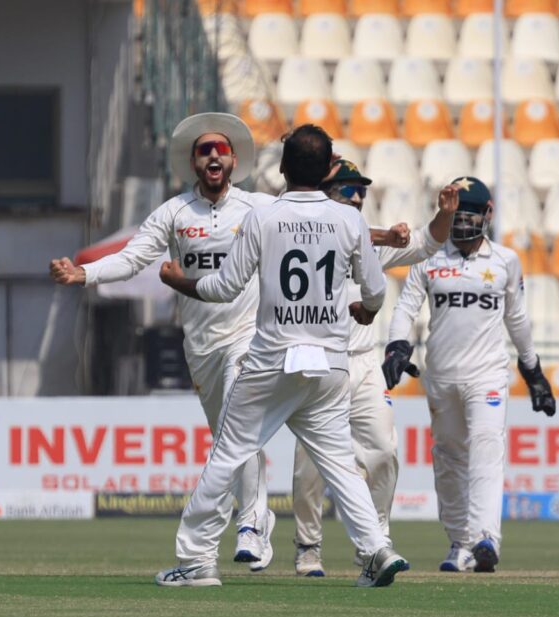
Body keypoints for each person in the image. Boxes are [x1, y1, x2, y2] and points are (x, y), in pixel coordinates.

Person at [154, 124, 408, 588]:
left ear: (284, 168)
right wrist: (366, 312)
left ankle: (194, 561)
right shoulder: (348, 220)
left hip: (272, 360)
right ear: (330, 169)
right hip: (330, 365)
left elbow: (223, 287)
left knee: (228, 455)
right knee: (338, 465)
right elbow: (373, 291)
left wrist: (178, 281)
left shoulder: (263, 217)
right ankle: (376, 550)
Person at [48, 113, 276, 570]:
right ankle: (260, 512)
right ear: (194, 163)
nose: (213, 154)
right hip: (201, 346)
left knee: (238, 426)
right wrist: (85, 273)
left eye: (221, 149)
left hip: (247, 337)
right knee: (230, 437)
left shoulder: (258, 208)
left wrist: (380, 238)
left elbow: (315, 233)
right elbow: (132, 259)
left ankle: (250, 523)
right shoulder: (174, 213)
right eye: (204, 150)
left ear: (233, 160)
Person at [292, 160, 459, 577]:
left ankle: (376, 539)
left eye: (361, 189)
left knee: (383, 451)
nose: (357, 196)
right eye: (347, 188)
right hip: (315, 359)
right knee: (310, 464)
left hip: (364, 361)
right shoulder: (302, 232)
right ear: (323, 192)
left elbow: (426, 244)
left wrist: (446, 214)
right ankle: (308, 546)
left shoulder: (370, 244)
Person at [383, 176, 556, 573]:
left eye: (469, 215)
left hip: (487, 376)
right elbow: (406, 309)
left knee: (485, 450)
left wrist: (533, 372)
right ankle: (459, 543)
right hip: (441, 376)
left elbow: (518, 320)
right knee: (448, 459)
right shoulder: (428, 258)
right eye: (456, 215)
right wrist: (397, 345)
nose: (461, 223)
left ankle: (485, 538)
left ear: (487, 214)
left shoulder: (505, 261)